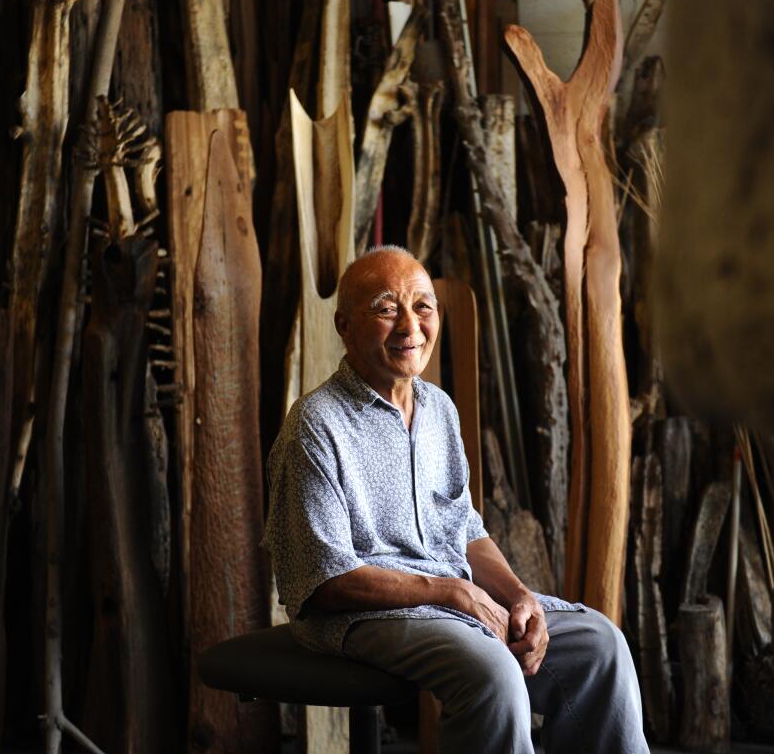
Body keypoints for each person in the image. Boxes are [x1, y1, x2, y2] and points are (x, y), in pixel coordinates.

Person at [264, 246, 648, 753]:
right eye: (385, 308)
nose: (410, 326)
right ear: (343, 324)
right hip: (357, 618)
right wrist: (451, 593)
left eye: (422, 307)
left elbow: (463, 528)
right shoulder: (316, 424)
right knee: (493, 673)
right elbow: (325, 580)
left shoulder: (438, 409)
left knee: (601, 646)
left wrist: (517, 596)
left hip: (450, 603)